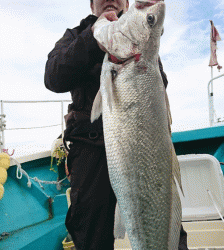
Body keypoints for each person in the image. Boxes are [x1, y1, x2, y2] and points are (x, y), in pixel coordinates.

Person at [44, 0, 188, 249]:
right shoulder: (76, 36)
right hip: (89, 151)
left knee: (165, 231)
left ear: (127, 4)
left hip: (143, 151)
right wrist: (92, 41)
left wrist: (148, 25)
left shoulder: (141, 48)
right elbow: (53, 76)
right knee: (90, 234)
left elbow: (156, 85)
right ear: (92, 6)